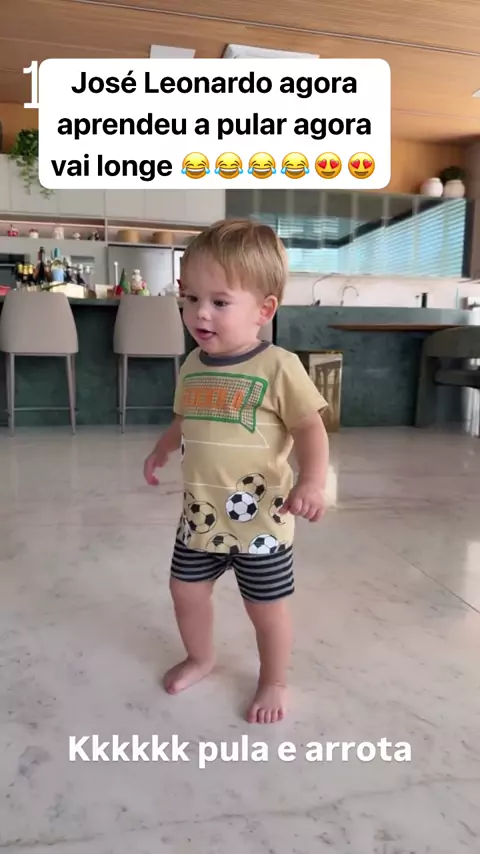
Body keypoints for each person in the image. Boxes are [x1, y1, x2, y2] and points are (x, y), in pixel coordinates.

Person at [144, 219, 329, 724]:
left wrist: (312, 480)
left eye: (219, 301)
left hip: (261, 522)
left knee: (265, 607)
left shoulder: (279, 366)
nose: (199, 312)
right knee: (184, 590)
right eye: (189, 298)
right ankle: (201, 657)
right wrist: (162, 449)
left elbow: (310, 429)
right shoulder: (192, 365)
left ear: (264, 310)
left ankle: (274, 680)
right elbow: (183, 420)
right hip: (200, 516)